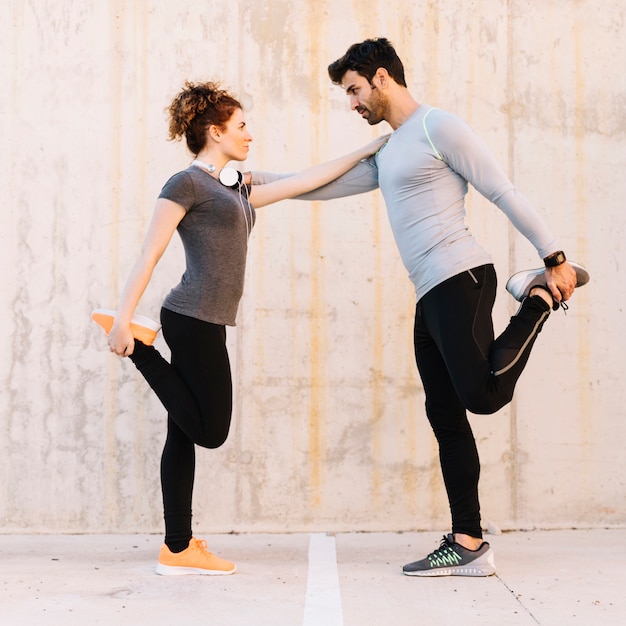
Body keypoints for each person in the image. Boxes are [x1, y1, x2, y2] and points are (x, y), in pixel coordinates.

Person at [251, 38, 589, 577]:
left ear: (382, 78)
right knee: (445, 415)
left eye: (356, 91)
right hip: (430, 293)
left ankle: (538, 299)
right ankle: (468, 541)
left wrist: (554, 259)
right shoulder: (388, 151)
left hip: (463, 277)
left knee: (481, 395)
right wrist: (250, 181)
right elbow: (319, 185)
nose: (353, 103)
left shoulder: (439, 127)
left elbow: (502, 190)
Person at [92, 81, 387, 576]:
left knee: (183, 433)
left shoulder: (235, 186)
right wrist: (123, 320)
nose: (250, 134)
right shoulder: (185, 184)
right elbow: (150, 253)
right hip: (189, 319)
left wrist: (369, 148)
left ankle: (177, 547)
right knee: (211, 432)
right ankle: (143, 351)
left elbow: (304, 181)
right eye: (242, 126)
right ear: (215, 131)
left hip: (207, 320)